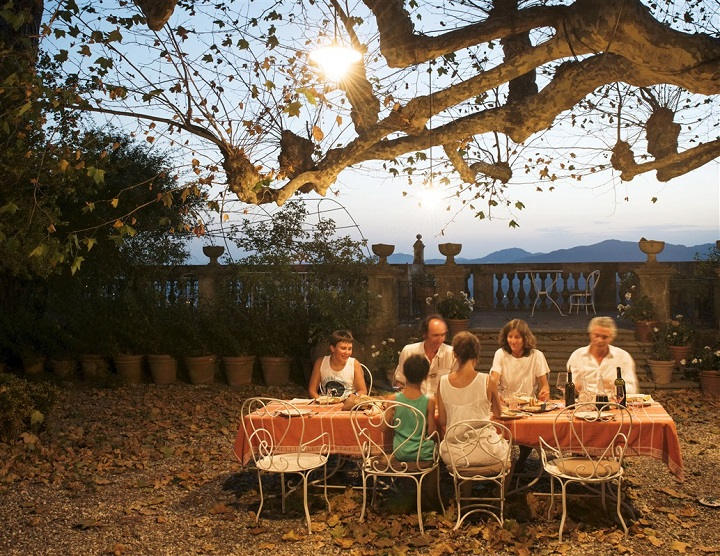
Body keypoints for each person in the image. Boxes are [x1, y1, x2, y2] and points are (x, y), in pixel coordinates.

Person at [436, 331, 509, 467]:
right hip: (487, 450)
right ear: (477, 354)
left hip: (455, 455)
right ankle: (501, 488)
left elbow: (442, 420)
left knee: (457, 456)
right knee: (511, 452)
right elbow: (498, 413)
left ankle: (465, 487)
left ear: (455, 354)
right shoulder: (488, 380)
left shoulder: (443, 382)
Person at [566, 316, 639, 397]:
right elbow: (569, 387)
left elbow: (632, 389)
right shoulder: (577, 356)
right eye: (596, 336)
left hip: (614, 404)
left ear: (611, 338)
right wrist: (576, 387)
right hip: (584, 405)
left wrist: (614, 386)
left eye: (604, 337)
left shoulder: (622, 357)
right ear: (590, 334)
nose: (600, 340)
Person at [489, 319, 551, 402]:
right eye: (510, 337)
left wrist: (544, 393)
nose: (513, 341)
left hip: (529, 405)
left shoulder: (537, 355)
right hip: (506, 404)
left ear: (525, 339)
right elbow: (494, 380)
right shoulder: (500, 353)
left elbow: (544, 386)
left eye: (517, 337)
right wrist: (495, 392)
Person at [393, 314, 455, 396]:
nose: (440, 339)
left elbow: (456, 387)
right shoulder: (409, 351)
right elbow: (400, 382)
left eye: (443, 335)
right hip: (413, 404)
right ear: (425, 334)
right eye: (435, 335)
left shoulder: (452, 353)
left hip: (441, 405)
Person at [390, 354, 436, 462]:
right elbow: (431, 432)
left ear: (405, 374)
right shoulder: (429, 401)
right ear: (425, 376)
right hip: (422, 452)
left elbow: (383, 427)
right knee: (437, 450)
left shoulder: (393, 399)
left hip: (399, 452)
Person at [308, 329, 367, 399]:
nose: (347, 352)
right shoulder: (320, 363)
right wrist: (319, 400)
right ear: (332, 348)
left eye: (350, 349)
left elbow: (363, 390)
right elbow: (312, 390)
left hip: (347, 406)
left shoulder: (354, 364)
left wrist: (352, 397)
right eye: (343, 348)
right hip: (326, 404)